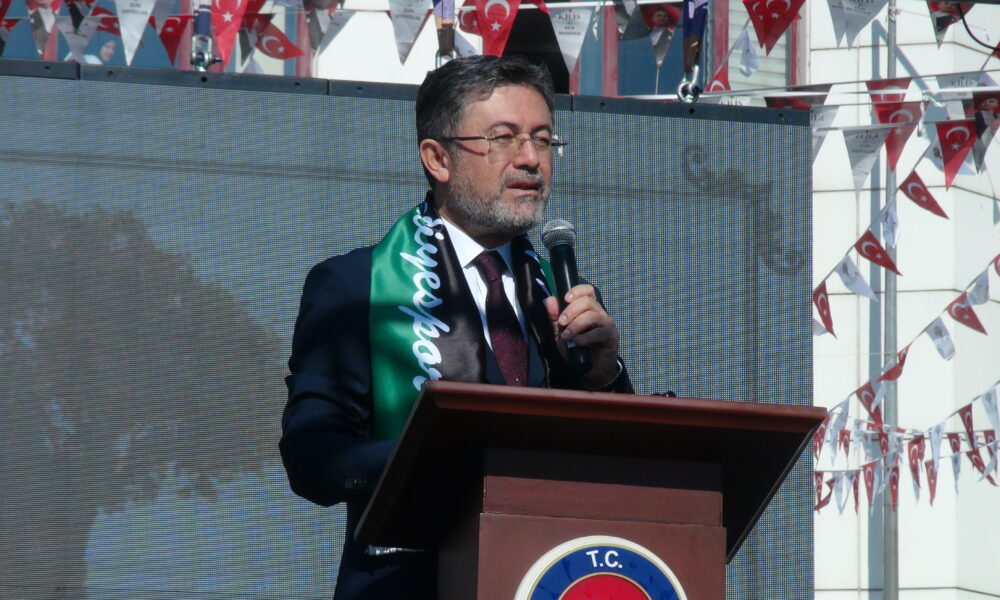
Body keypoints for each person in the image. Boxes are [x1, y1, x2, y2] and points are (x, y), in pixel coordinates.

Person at [279, 54, 632, 600]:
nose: (531, 159)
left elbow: (618, 462)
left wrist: (604, 377)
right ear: (438, 158)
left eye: (543, 139)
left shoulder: (565, 296)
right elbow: (311, 461)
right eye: (503, 138)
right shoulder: (357, 288)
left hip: (548, 575)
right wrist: (440, 454)